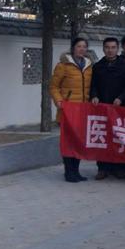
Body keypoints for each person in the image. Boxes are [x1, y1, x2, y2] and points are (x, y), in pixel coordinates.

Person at [50, 37, 93, 183]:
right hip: (68, 110)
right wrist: (59, 101)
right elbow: (54, 86)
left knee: (79, 142)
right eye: (79, 46)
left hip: (83, 110)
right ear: (73, 48)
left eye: (84, 47)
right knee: (68, 142)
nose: (82, 49)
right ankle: (69, 172)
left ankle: (76, 171)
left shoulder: (89, 66)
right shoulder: (63, 65)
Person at [90, 37, 125, 181]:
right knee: (103, 138)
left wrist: (121, 98)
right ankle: (102, 168)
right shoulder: (98, 66)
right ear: (103, 49)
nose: (110, 50)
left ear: (118, 49)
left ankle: (119, 167)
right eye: (107, 47)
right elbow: (93, 86)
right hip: (102, 109)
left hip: (120, 108)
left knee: (119, 137)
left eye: (113, 47)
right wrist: (94, 96)